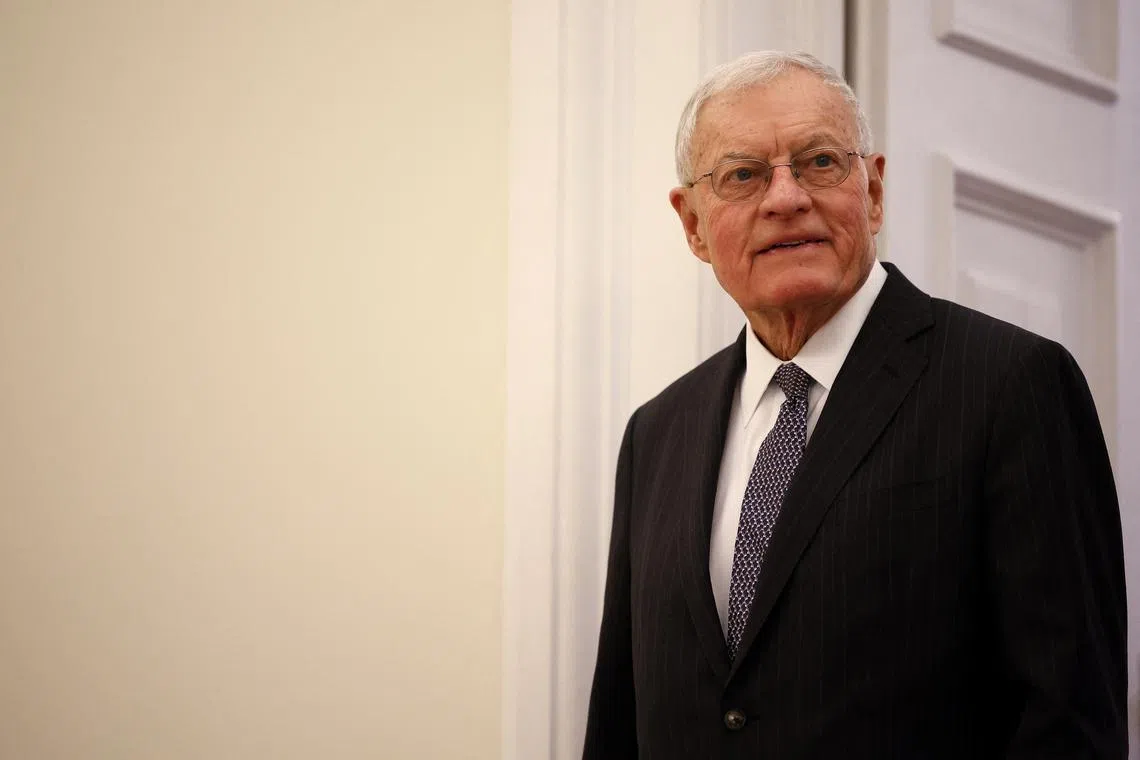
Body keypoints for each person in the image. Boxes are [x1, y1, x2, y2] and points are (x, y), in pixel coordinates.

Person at [582, 50, 1126, 759]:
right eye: (743, 175)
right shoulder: (656, 433)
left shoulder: (1010, 384)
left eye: (818, 163)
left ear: (872, 191)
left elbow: (1069, 722)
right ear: (692, 225)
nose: (785, 198)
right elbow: (620, 726)